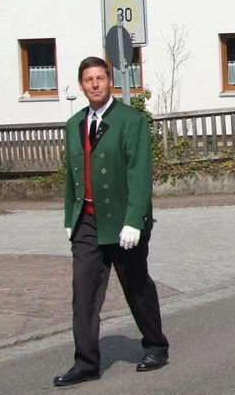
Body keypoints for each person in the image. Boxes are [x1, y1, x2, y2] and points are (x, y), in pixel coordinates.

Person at [54, 57, 169, 387]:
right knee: (84, 293)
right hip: (87, 222)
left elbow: (139, 174)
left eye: (100, 78)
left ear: (110, 82)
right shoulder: (75, 123)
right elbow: (72, 177)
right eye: (88, 79)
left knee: (136, 285)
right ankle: (86, 361)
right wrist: (69, 216)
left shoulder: (130, 120)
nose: (94, 84)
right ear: (81, 85)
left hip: (123, 223)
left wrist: (135, 220)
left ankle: (156, 346)